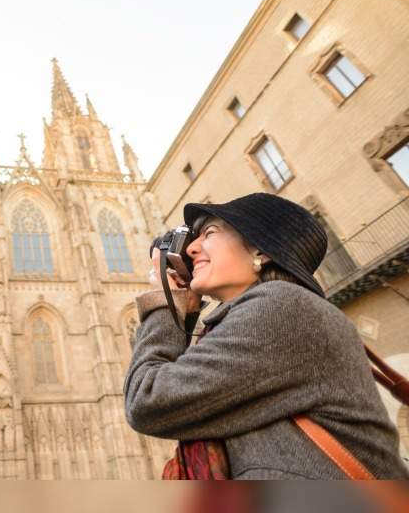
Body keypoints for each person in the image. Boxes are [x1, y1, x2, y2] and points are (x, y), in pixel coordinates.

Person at [123, 192, 409, 479]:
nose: (192, 249)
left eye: (208, 233)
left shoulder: (282, 309)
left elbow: (148, 399)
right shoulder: (259, 315)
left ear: (261, 252)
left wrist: (166, 300)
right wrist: (183, 306)